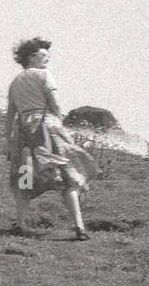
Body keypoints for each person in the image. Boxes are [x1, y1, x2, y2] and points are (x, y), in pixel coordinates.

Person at [5, 37, 97, 240]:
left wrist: (9, 142)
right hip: (46, 127)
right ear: (32, 57)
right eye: (43, 55)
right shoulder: (44, 75)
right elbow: (54, 103)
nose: (47, 59)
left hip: (23, 133)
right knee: (66, 177)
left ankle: (19, 225)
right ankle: (79, 227)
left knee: (24, 177)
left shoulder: (15, 82)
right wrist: (61, 122)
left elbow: (10, 115)